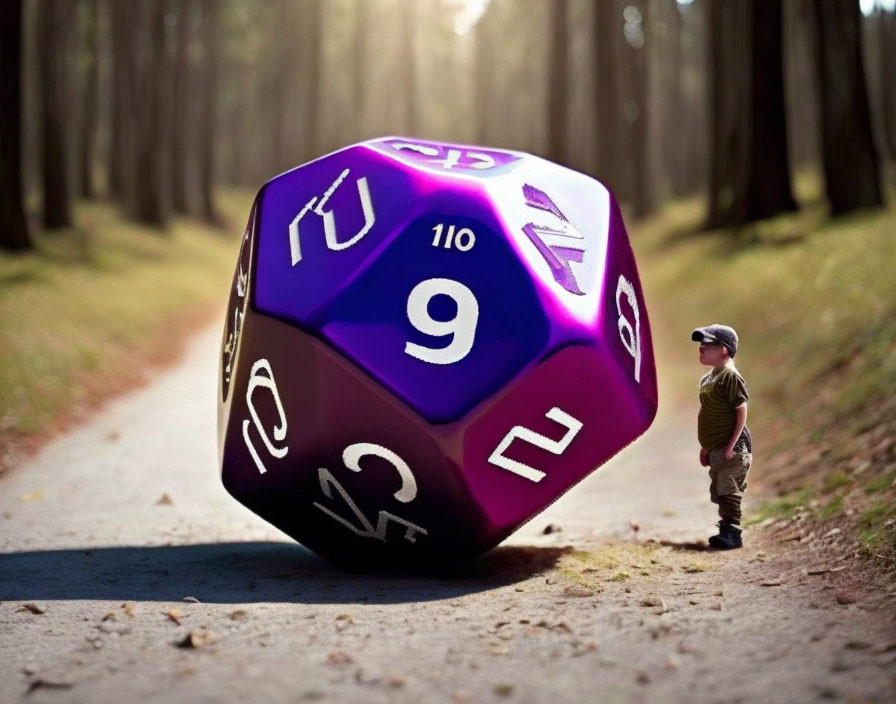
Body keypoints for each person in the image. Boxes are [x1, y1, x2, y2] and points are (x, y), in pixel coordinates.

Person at [691, 324, 752, 549]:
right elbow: (706, 412)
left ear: (724, 350)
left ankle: (732, 533)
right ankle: (726, 528)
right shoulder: (709, 378)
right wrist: (706, 445)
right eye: (701, 345)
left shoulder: (730, 377)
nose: (701, 349)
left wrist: (731, 445)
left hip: (734, 449)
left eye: (708, 345)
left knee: (728, 490)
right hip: (715, 447)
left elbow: (741, 410)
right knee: (718, 490)